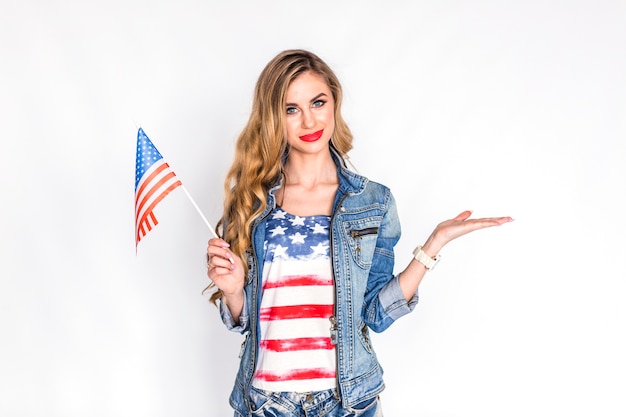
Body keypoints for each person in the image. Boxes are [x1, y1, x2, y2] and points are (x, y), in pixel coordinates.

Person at [206, 49, 512, 417]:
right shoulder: (253, 200)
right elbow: (244, 322)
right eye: (291, 109)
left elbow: (375, 313)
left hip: (348, 402)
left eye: (318, 102)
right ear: (274, 118)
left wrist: (433, 246)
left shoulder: (373, 202)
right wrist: (234, 290)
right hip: (268, 404)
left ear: (334, 101)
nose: (308, 120)